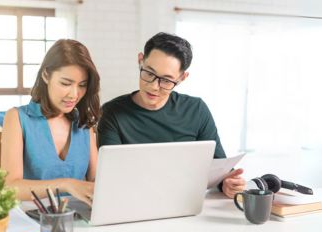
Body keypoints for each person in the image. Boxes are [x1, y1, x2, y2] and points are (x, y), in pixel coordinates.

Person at [97, 32, 246, 198]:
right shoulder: (111, 113)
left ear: (182, 77)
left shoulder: (196, 110)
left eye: (166, 80)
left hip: (186, 204)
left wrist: (227, 183)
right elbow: (111, 177)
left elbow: (218, 166)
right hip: (134, 201)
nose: (154, 86)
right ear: (140, 60)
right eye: (149, 73)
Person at [1, 39, 100, 205]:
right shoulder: (17, 118)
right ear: (46, 75)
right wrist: (66, 184)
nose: (74, 94)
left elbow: (97, 179)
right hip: (32, 220)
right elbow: (10, 187)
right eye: (65, 83)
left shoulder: (83, 123)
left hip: (79, 219)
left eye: (82, 85)